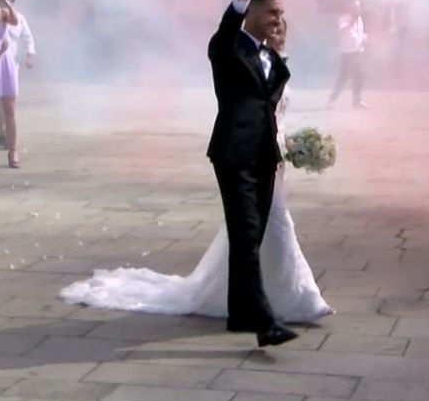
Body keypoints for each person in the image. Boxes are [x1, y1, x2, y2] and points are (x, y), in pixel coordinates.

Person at [60, 16, 331, 323]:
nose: (278, 32)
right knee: (272, 225)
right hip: (248, 156)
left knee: (258, 229)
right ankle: (293, 301)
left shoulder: (278, 63)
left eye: (283, 27)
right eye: (273, 25)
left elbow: (273, 114)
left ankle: (270, 299)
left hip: (274, 157)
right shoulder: (242, 57)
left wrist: (291, 144)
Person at [198, 0, 297, 347]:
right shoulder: (228, 48)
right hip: (234, 155)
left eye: (281, 13)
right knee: (246, 235)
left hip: (265, 158)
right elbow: (225, 32)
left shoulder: (273, 57)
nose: (277, 19)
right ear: (252, 11)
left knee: (249, 241)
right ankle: (263, 322)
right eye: (271, 12)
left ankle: (240, 312)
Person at [0, 0, 34, 168]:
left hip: (8, 61)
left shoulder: (12, 14)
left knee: (9, 107)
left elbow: (25, 35)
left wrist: (30, 54)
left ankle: (12, 148)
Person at [328, 0, 368, 109]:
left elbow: (359, 34)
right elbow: (341, 30)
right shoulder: (344, 18)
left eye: (358, 7)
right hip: (348, 54)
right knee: (343, 78)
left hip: (358, 52)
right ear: (350, 8)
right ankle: (333, 100)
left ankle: (357, 101)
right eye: (354, 7)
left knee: (359, 77)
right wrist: (350, 22)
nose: (357, 10)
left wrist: (364, 38)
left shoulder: (360, 20)